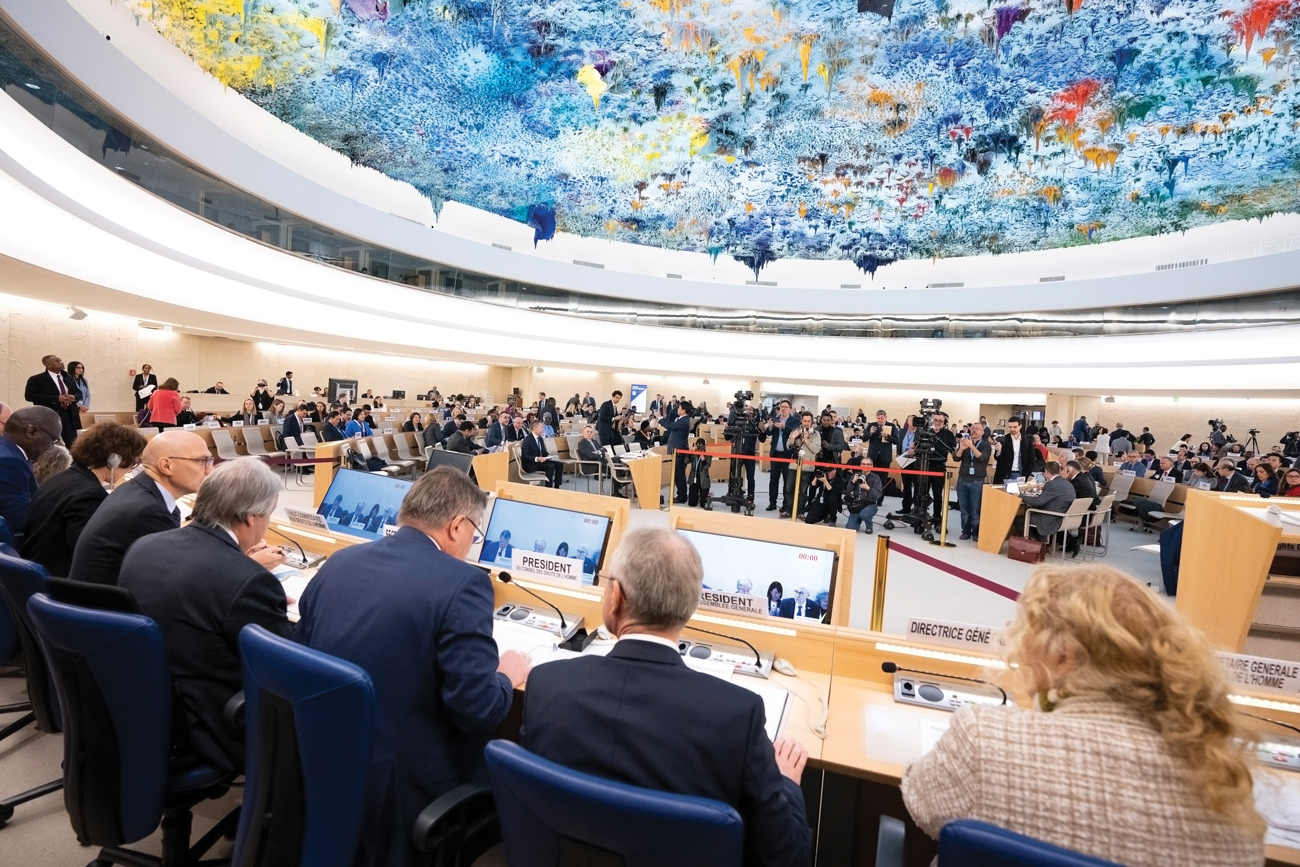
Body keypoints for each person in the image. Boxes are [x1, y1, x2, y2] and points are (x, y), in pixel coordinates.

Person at [902, 565, 1264, 867]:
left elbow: (921, 801)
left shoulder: (985, 736)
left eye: (1029, 633)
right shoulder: (1229, 788)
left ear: (1064, 654)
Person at [522, 528, 811, 867]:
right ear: (690, 606)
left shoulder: (546, 683)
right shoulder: (736, 715)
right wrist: (785, 784)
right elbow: (788, 859)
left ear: (615, 597)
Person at [298, 467, 531, 867]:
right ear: (457, 525)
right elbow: (477, 709)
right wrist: (505, 677)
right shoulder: (463, 583)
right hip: (402, 782)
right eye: (474, 534)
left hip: (321, 753)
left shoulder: (341, 561)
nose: (472, 543)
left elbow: (302, 655)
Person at [119, 459, 291, 775]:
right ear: (252, 518)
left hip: (137, 704)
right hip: (207, 724)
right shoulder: (247, 580)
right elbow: (284, 668)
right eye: (268, 515)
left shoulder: (145, 545)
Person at [69, 430, 213, 585]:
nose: (210, 470)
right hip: (106, 606)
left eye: (211, 461)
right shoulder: (148, 512)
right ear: (166, 466)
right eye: (202, 461)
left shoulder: (136, 490)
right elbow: (176, 576)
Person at [19, 421, 147, 578]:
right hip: (58, 580)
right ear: (114, 459)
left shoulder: (63, 478)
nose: (129, 470)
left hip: (38, 568)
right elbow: (90, 554)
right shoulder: (89, 494)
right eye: (132, 464)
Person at [0, 406, 63, 541]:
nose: (51, 447)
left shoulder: (8, 451)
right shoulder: (9, 461)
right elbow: (20, 522)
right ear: (31, 431)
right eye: (52, 440)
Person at [24, 354, 82, 446]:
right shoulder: (36, 379)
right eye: (57, 361)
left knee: (72, 445)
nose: (61, 362)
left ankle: (71, 460)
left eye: (61, 360)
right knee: (49, 445)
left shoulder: (68, 377)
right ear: (48, 365)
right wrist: (56, 398)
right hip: (49, 416)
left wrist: (74, 397)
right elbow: (29, 396)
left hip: (69, 416)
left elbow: (78, 392)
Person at [1013, 461, 1075, 542]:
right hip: (1063, 515)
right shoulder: (1067, 483)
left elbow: (1038, 502)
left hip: (1051, 517)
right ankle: (1041, 542)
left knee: (1018, 520)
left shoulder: (1052, 484)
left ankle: (1035, 543)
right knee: (1031, 514)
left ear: (1046, 471)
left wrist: (1020, 495)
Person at [954, 421, 992, 541]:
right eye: (973, 428)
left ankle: (976, 532)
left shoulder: (986, 445)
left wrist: (971, 446)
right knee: (964, 508)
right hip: (963, 479)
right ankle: (965, 531)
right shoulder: (965, 443)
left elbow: (982, 458)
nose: (974, 430)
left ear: (982, 431)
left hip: (977, 480)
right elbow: (956, 458)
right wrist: (961, 448)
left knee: (975, 509)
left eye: (977, 428)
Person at [783, 412, 822, 518]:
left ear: (812, 421)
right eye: (805, 421)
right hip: (794, 465)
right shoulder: (795, 431)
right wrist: (792, 438)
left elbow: (817, 449)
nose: (806, 423)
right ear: (801, 421)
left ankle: (800, 511)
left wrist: (807, 440)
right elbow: (788, 446)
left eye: (809, 421)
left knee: (803, 491)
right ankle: (789, 510)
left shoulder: (816, 434)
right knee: (789, 488)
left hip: (807, 466)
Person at [660, 401, 692, 504]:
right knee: (678, 474)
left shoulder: (684, 421)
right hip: (677, 449)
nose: (677, 410)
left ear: (683, 410)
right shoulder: (681, 419)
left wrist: (660, 418)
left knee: (679, 475)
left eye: (679, 408)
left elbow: (670, 427)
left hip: (679, 450)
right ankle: (681, 494)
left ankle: (681, 496)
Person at [993, 417, 1040, 484]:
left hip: (1020, 474)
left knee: (1017, 494)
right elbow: (998, 458)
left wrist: (1025, 475)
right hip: (1004, 474)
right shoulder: (1003, 439)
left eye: (1014, 427)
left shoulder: (1027, 442)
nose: (1012, 429)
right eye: (1010, 427)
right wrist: (998, 451)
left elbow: (1031, 461)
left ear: (1020, 426)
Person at [521, 420, 563, 488]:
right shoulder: (527, 440)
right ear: (535, 428)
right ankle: (548, 487)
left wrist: (548, 456)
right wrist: (537, 459)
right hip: (531, 464)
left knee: (559, 464)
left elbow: (543, 451)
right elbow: (525, 456)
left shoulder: (540, 438)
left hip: (540, 461)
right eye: (541, 427)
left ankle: (557, 486)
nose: (543, 429)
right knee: (550, 466)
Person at [844, 462, 883, 533]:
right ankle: (855, 519)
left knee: (864, 515)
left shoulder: (875, 478)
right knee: (851, 528)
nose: (865, 466)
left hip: (870, 504)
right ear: (860, 465)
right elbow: (848, 490)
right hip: (857, 505)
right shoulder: (855, 475)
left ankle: (869, 526)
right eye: (863, 464)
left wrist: (868, 488)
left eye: (868, 464)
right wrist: (853, 481)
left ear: (871, 466)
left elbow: (877, 495)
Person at [686, 437, 712, 508]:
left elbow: (707, 467)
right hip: (694, 478)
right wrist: (689, 453)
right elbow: (686, 461)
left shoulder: (708, 455)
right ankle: (695, 497)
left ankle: (706, 496)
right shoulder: (694, 454)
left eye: (701, 445)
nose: (699, 447)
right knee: (692, 503)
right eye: (698, 445)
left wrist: (703, 459)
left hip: (703, 480)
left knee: (703, 505)